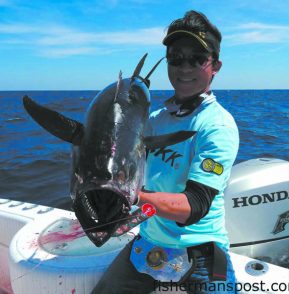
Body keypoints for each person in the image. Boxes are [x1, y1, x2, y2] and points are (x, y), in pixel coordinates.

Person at [92, 10, 239, 294]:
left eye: (197, 58)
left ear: (215, 65)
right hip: (149, 242)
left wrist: (127, 194)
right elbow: (125, 169)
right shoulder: (154, 121)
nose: (185, 67)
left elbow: (192, 206)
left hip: (204, 249)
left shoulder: (217, 126)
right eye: (176, 58)